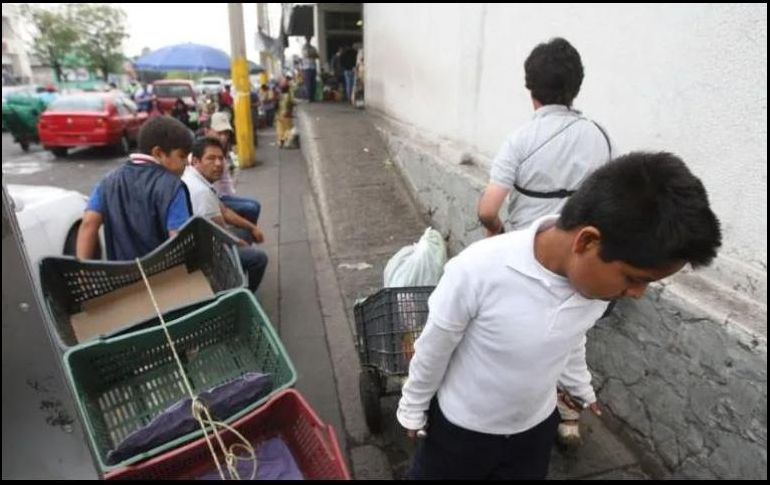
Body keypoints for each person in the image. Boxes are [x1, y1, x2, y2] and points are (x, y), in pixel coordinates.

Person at [398, 152, 722, 480]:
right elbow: (434, 347)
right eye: (633, 278)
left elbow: (572, 336)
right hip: (461, 431)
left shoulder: (595, 289)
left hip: (533, 431)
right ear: (587, 241)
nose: (637, 293)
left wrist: (580, 385)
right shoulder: (477, 271)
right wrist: (413, 405)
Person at [476, 37, 615, 447]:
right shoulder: (601, 137)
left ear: (530, 88)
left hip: (530, 254)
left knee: (520, 333)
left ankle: (518, 413)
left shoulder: (520, 139)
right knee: (572, 335)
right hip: (583, 259)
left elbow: (488, 208)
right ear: (576, 87)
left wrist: (495, 231)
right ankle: (569, 417)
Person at [76, 116, 194, 261]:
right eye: (182, 156)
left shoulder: (107, 182)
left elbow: (88, 224)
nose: (186, 164)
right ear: (158, 153)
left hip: (121, 277)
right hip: (163, 277)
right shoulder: (173, 187)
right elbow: (179, 239)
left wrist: (83, 269)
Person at [182, 136, 268, 292]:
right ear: (195, 161)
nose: (218, 164)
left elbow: (225, 211)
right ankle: (244, 297)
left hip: (207, 243)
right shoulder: (201, 192)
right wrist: (240, 243)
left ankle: (238, 279)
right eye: (211, 159)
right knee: (259, 259)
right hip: (206, 256)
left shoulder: (195, 177)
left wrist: (252, 228)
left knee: (245, 230)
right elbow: (221, 232)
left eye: (221, 158)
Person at [205, 112, 262, 225]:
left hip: (221, 198)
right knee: (250, 208)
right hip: (208, 201)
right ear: (207, 131)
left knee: (254, 205)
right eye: (219, 133)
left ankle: (246, 236)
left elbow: (226, 183)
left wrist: (234, 203)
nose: (223, 137)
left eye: (226, 133)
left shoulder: (222, 152)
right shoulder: (202, 152)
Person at [275, 79, 295, 148]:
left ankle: (281, 141)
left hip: (279, 114)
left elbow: (276, 104)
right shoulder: (288, 95)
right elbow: (292, 103)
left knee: (280, 129)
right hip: (286, 114)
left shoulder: (279, 95)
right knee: (288, 129)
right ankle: (285, 141)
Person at [300, 36, 319, 102]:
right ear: (306, 39)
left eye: (309, 38)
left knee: (313, 83)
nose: (309, 39)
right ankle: (309, 98)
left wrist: (312, 55)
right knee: (308, 83)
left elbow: (317, 56)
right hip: (306, 68)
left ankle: (312, 97)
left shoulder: (313, 47)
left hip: (313, 67)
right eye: (308, 38)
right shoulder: (304, 47)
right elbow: (307, 55)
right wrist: (312, 54)